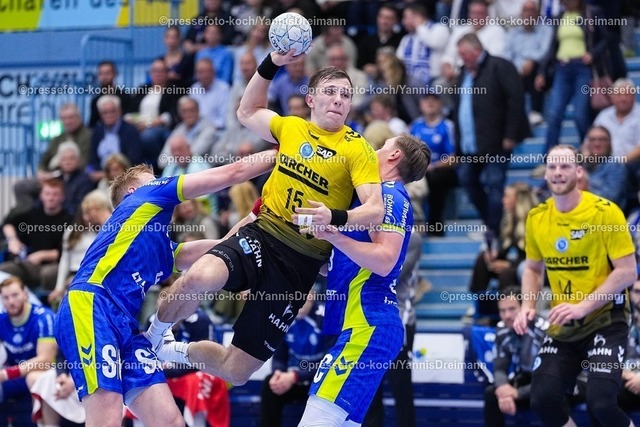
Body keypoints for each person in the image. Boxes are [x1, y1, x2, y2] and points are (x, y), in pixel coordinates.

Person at [146, 52, 385, 386]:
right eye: (330, 91)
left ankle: (173, 351)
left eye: (345, 94)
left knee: (237, 371)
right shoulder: (291, 127)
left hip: (300, 264)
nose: (338, 99)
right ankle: (152, 337)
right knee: (199, 275)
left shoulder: (357, 148)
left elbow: (375, 210)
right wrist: (272, 61)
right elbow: (246, 111)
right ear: (310, 99)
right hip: (262, 234)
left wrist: (335, 216)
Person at [54, 150, 277, 427]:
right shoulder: (144, 196)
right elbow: (234, 172)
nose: (161, 181)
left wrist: (256, 215)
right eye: (154, 179)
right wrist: (284, 153)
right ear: (133, 190)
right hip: (91, 306)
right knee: (106, 418)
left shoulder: (160, 247)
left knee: (170, 421)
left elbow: (223, 247)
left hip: (125, 325)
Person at [297, 134, 430, 427]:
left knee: (316, 419)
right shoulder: (371, 198)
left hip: (368, 323)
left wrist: (335, 235)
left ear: (394, 155)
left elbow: (385, 260)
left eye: (382, 146)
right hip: (356, 323)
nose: (374, 151)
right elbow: (340, 266)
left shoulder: (391, 194)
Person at [513, 144, 637, 427]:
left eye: (565, 166)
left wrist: (582, 306)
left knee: (602, 403)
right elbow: (532, 268)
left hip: (606, 319)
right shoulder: (537, 217)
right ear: (545, 174)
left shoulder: (606, 213)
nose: (558, 172)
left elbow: (627, 272)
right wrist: (528, 305)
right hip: (564, 324)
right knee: (542, 399)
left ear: (579, 172)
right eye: (552, 167)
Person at [454, 33, 529, 237]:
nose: (461, 58)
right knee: (467, 178)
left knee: (495, 184)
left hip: (497, 141)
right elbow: (459, 108)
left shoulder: (500, 66)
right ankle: (493, 224)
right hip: (471, 144)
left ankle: (494, 230)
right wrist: (458, 146)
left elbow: (516, 99)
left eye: (464, 54)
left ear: (476, 50)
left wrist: (511, 134)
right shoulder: (463, 73)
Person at [484, 286, 547, 427]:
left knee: (548, 395)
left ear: (524, 308)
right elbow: (499, 368)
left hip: (552, 382)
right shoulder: (502, 329)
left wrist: (518, 393)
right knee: (491, 393)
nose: (507, 315)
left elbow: (549, 379)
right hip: (527, 379)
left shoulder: (544, 329)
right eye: (502, 311)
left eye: (512, 309)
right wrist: (503, 389)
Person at [0, 276, 57, 426]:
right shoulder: (2, 320)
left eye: (15, 295)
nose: (11, 301)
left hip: (44, 373)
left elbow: (45, 360)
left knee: (35, 378)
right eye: (6, 297)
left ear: (25, 294)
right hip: (14, 377)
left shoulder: (43, 317)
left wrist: (5, 374)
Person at [260, 295, 325, 427]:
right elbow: (279, 357)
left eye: (303, 298)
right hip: (296, 378)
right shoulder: (283, 317)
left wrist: (295, 376)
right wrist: (278, 373)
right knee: (270, 384)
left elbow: (331, 363)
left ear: (312, 297)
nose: (298, 304)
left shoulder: (326, 317)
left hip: (321, 381)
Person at [1, 179, 74, 291]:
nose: (50, 198)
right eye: (47, 194)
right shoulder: (33, 214)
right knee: (6, 269)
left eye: (55, 194)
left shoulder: (70, 220)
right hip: (30, 263)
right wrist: (13, 240)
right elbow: (8, 224)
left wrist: (42, 255)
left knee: (47, 273)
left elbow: (68, 250)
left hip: (57, 265)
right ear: (41, 196)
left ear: (62, 197)